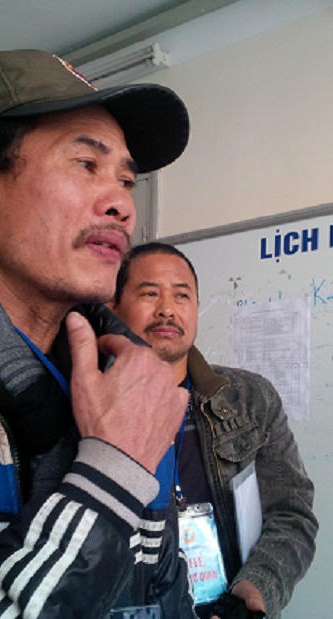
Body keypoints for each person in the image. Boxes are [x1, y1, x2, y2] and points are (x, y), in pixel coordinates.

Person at [0, 50, 197, 617]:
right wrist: (111, 477)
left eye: (127, 180)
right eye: (86, 163)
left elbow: (163, 591)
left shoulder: (131, 385)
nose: (122, 204)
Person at [110, 242, 318, 619]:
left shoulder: (249, 399)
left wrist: (255, 589)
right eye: (150, 293)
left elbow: (291, 513)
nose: (167, 309)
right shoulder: (88, 405)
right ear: (114, 307)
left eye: (182, 295)